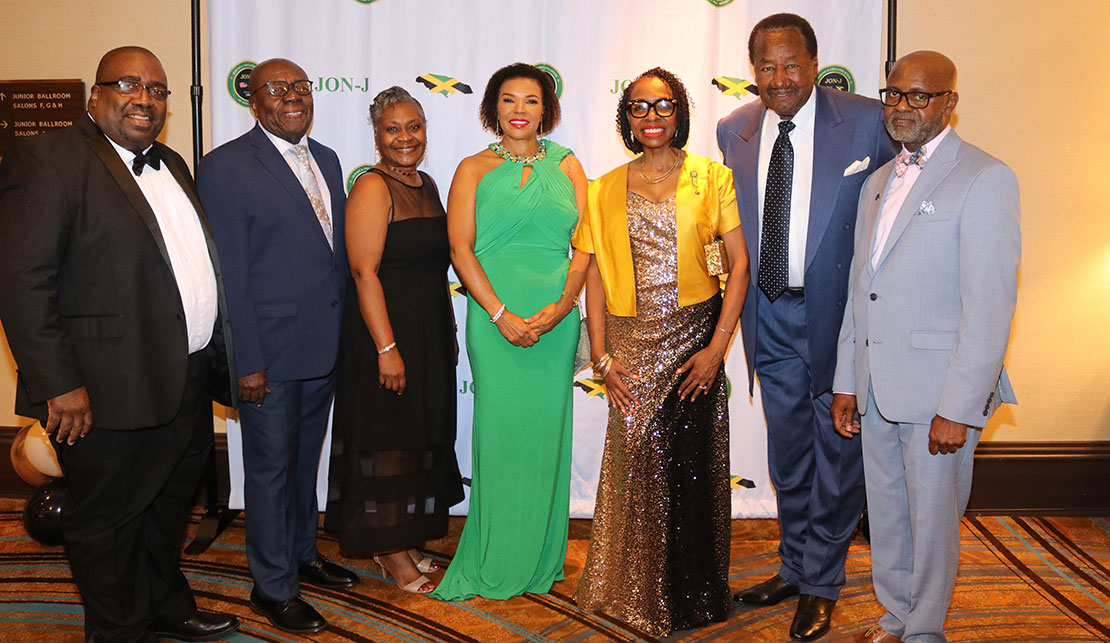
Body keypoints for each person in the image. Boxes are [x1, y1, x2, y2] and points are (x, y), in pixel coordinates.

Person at [0, 46, 239, 642]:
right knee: (105, 523)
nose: (145, 98)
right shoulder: (48, 157)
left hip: (184, 380)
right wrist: (59, 384)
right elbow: (23, 282)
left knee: (164, 510)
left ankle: (164, 605)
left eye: (157, 89)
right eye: (128, 84)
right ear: (95, 96)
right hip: (103, 390)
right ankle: (119, 630)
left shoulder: (174, 162)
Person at [716, 13, 896, 641]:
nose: (779, 77)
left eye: (791, 63)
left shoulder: (869, 121)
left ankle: (822, 581)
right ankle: (794, 566)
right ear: (753, 71)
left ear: (815, 63)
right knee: (788, 454)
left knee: (837, 453)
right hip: (766, 315)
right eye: (766, 65)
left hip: (841, 320)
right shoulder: (733, 129)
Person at [830, 51, 1020, 643]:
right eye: (893, 94)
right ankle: (896, 619)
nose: (902, 107)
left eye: (919, 96)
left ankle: (924, 632)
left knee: (932, 524)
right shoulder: (878, 182)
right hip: (876, 386)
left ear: (949, 103)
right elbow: (863, 288)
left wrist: (959, 408)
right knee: (887, 519)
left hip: (939, 394)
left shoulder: (986, 177)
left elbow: (989, 307)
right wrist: (846, 379)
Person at [573, 67, 750, 637]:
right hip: (629, 341)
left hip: (696, 337)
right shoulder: (602, 188)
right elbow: (594, 274)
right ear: (626, 117)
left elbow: (739, 265)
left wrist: (717, 349)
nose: (652, 117)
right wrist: (601, 356)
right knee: (637, 461)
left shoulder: (711, 177)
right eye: (640, 107)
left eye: (663, 106)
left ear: (680, 113)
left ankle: (693, 594)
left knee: (693, 466)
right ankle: (631, 591)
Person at [197, 57, 358, 634]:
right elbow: (230, 275)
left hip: (323, 347)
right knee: (267, 472)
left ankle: (301, 555)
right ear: (253, 100)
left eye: (300, 87)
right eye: (276, 89)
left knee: (303, 465)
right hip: (268, 354)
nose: (292, 97)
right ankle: (272, 587)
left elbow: (329, 259)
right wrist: (249, 361)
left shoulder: (330, 160)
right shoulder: (223, 168)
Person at [431, 62, 589, 601]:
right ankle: (496, 553)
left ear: (547, 109)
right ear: (492, 109)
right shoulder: (472, 168)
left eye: (531, 100)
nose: (520, 111)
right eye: (508, 100)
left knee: (547, 438)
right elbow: (460, 250)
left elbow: (586, 246)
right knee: (500, 437)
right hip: (493, 319)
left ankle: (542, 555)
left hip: (557, 318)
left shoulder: (569, 166)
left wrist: (565, 305)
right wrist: (499, 314)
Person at [323, 86, 464, 594]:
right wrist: (387, 348)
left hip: (425, 333)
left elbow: (434, 267)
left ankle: (403, 542)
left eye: (414, 127)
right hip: (382, 336)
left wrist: (445, 329)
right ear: (377, 135)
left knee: (415, 437)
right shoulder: (372, 187)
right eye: (393, 129)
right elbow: (364, 273)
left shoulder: (427, 183)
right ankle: (387, 550)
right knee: (386, 440)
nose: (405, 137)